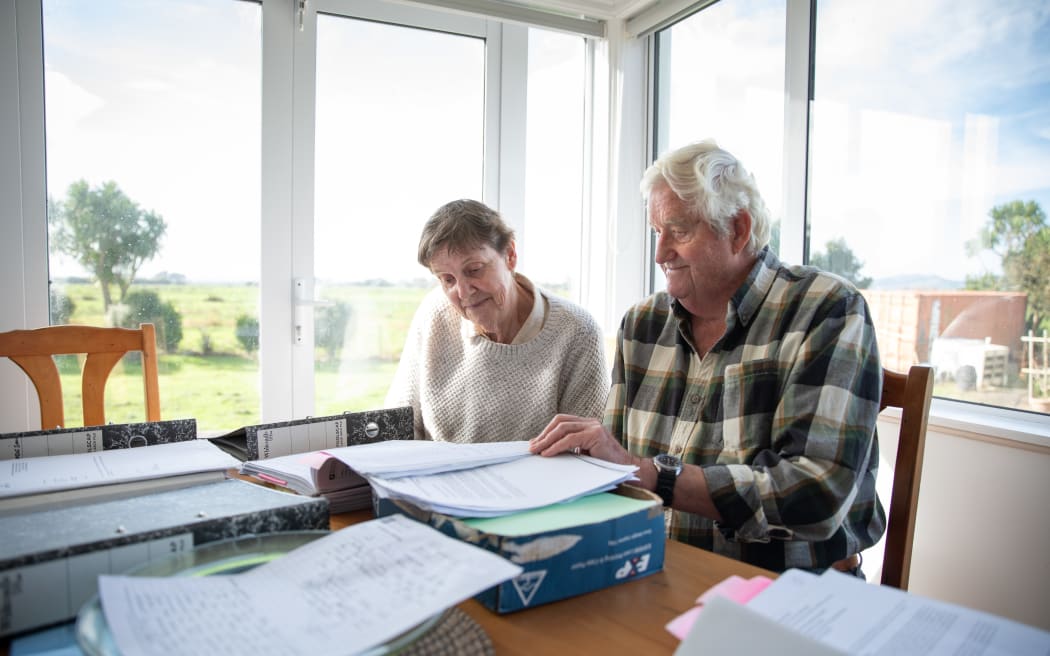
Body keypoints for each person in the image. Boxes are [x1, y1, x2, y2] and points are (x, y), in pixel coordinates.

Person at [530, 140, 885, 574]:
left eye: (678, 231)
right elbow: (618, 475)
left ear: (737, 229)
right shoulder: (641, 325)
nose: (660, 254)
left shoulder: (825, 309)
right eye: (656, 233)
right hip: (657, 572)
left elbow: (816, 494)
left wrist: (651, 475)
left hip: (786, 589)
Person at [385, 199, 609, 443]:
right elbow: (400, 428)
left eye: (474, 270)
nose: (463, 292)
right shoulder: (434, 314)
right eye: (447, 279)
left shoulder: (577, 332)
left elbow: (582, 454)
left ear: (510, 255)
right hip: (434, 479)